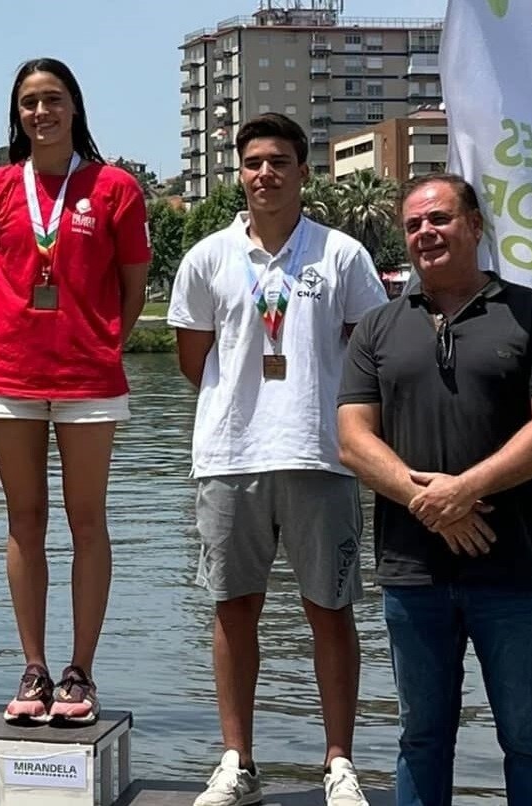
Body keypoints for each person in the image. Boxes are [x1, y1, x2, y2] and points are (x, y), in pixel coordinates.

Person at [339, 173, 532, 806]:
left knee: (528, 739)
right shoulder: (376, 328)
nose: (426, 232)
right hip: (412, 572)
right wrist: (434, 504)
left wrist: (464, 490)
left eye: (441, 218)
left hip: (514, 571)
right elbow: (353, 440)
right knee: (420, 739)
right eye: (415, 223)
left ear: (475, 226)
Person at [168, 112, 385, 806]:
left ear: (303, 172)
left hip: (322, 455)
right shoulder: (206, 256)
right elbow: (192, 361)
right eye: (253, 162)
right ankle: (237, 763)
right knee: (233, 610)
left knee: (330, 610)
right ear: (240, 172)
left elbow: (364, 356)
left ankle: (338, 765)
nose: (265, 174)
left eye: (279, 162)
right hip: (229, 457)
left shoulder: (341, 255)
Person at [0, 58, 150, 726]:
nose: (41, 113)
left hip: (88, 378)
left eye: (53, 100)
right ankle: (34, 667)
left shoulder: (115, 186)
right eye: (29, 102)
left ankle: (79, 672)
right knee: (24, 520)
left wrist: (100, 342)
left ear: (75, 108)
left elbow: (132, 287)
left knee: (86, 519)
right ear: (17, 115)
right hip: (8, 373)